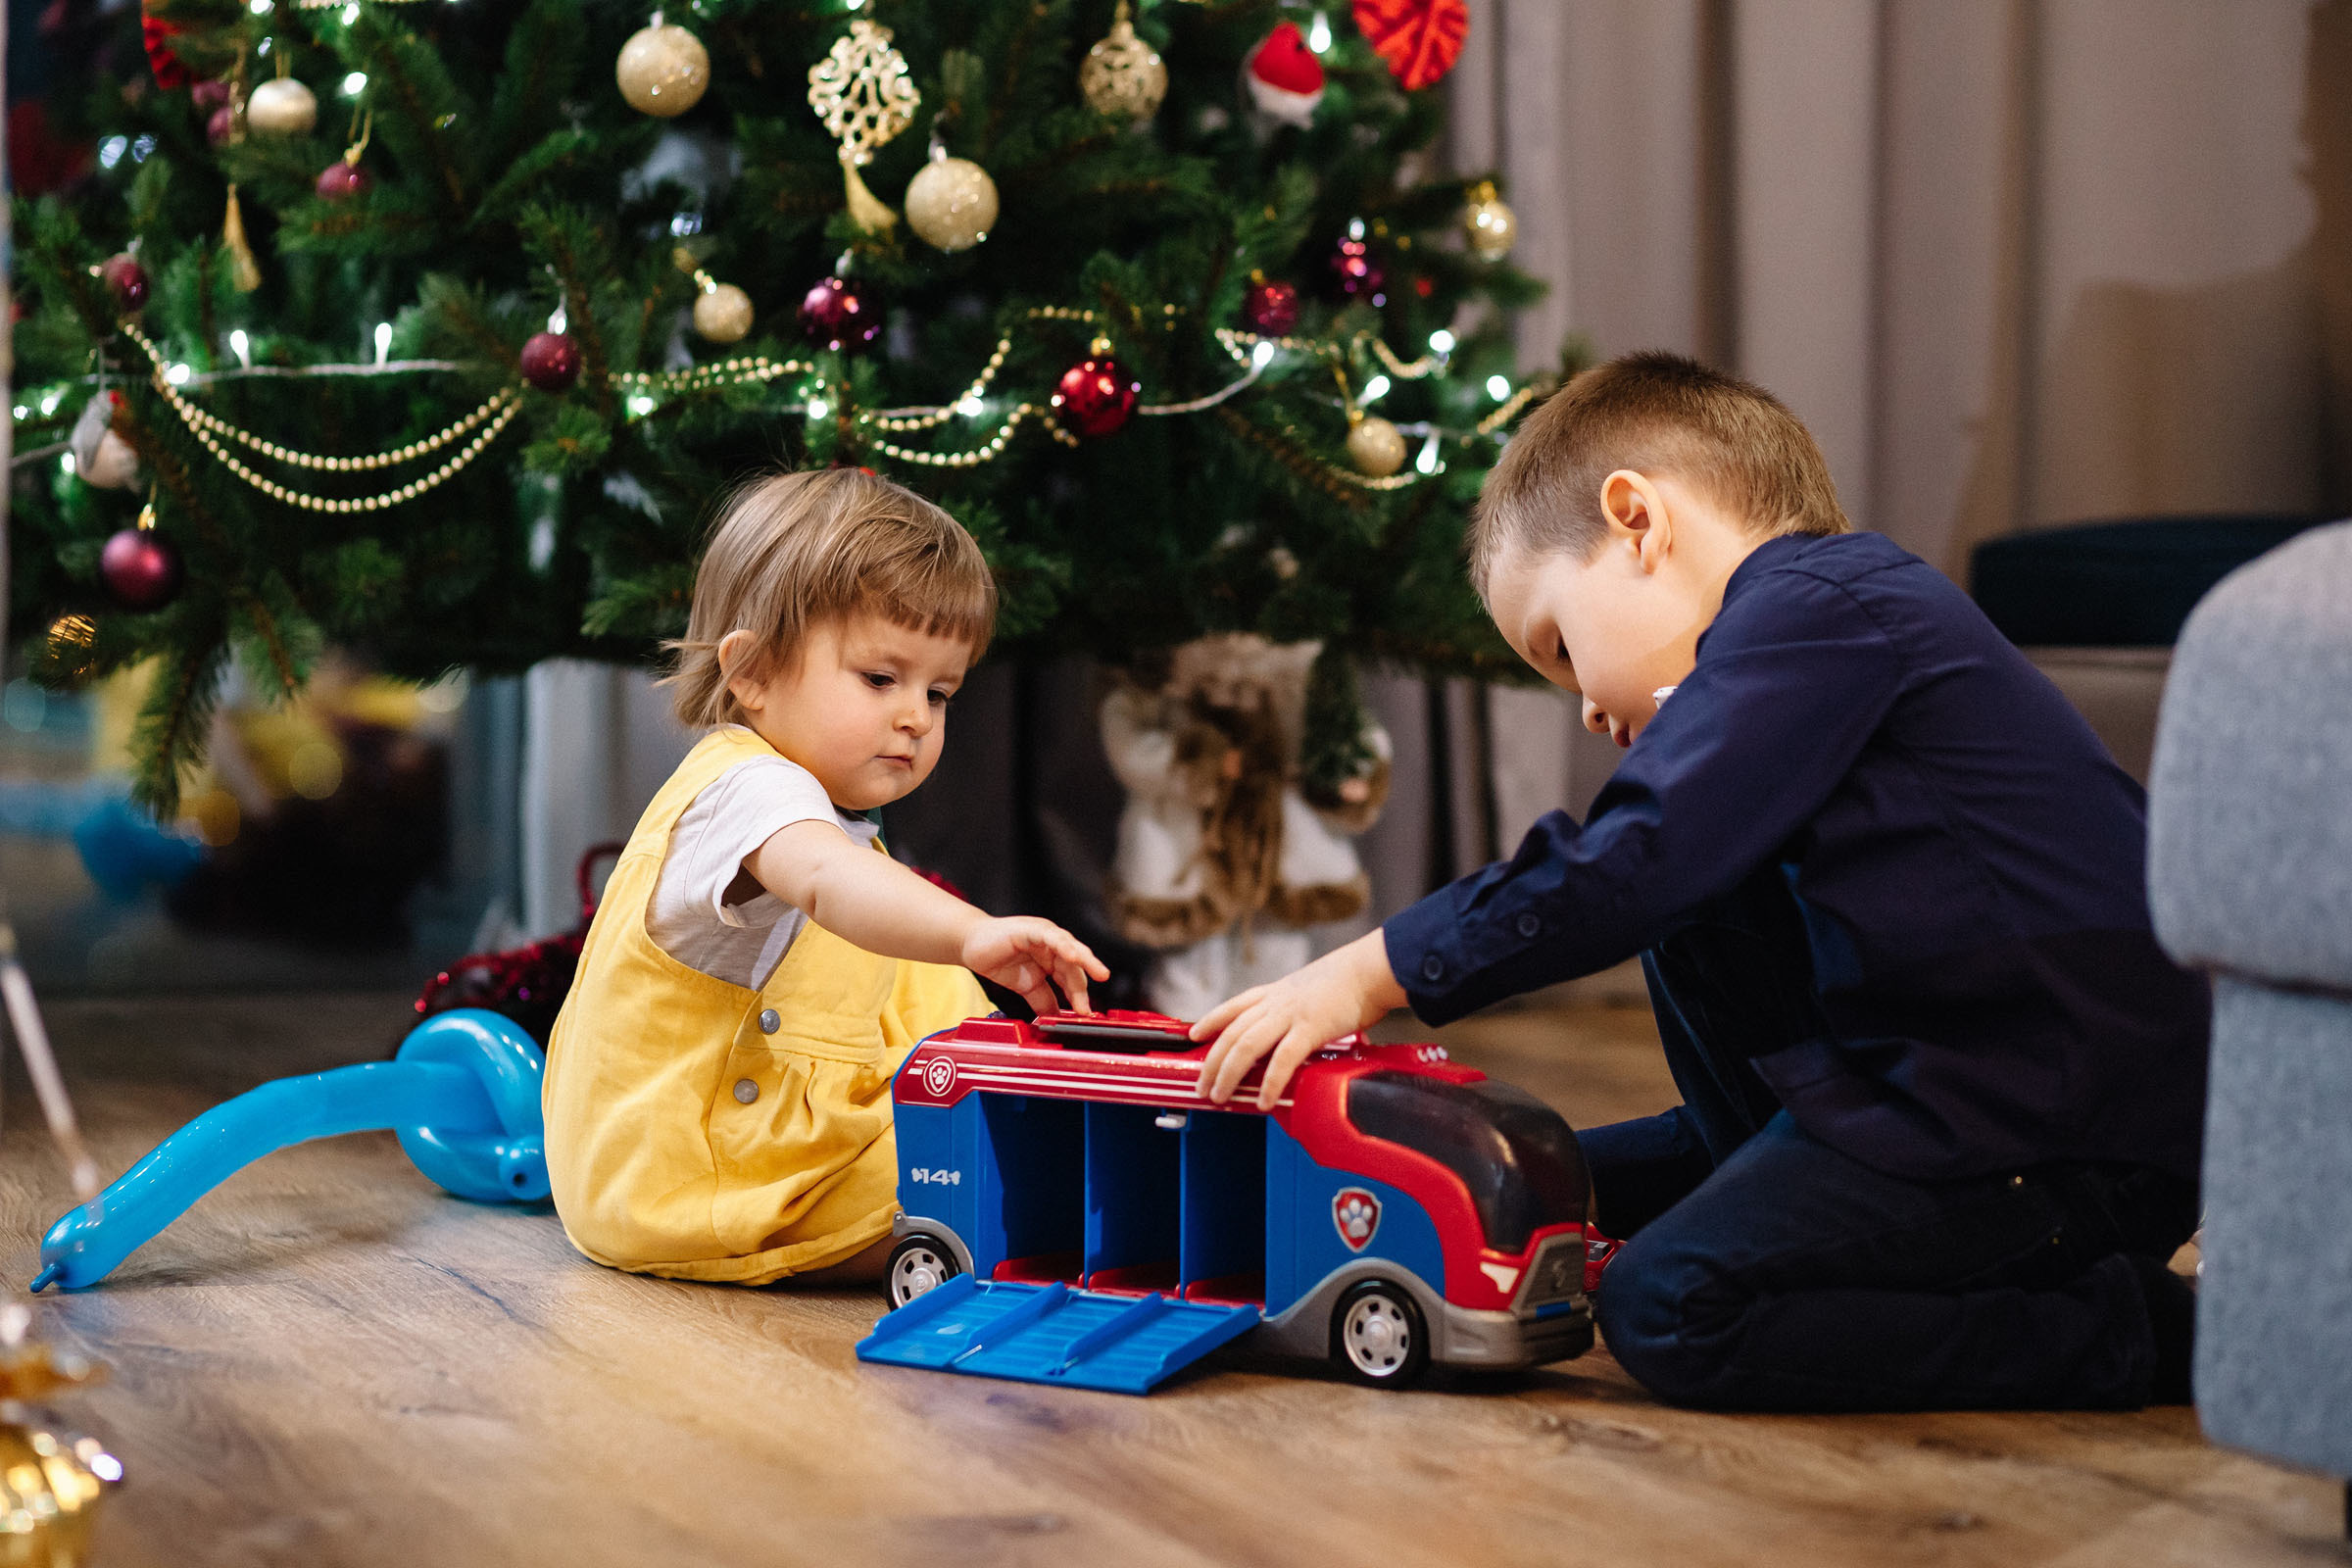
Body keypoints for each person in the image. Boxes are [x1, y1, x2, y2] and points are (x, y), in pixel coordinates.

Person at [1190, 353, 2209, 1412]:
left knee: (1672, 1304)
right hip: (1942, 1090)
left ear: (1637, 522)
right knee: (1550, 1155)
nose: (1588, 706)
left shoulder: (1824, 602)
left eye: (1560, 646)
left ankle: (2145, 1330)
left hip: (2065, 1129)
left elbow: (1638, 857)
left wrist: (1368, 972)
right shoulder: (1816, 632)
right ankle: (1719, 1184)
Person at [544, 468, 1105, 1287]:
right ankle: (982, 1214)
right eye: (880, 679)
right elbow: (828, 880)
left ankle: (1006, 1162)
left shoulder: (825, 808)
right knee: (984, 1175)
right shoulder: (748, 788)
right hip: (692, 1172)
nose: (914, 716)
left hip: (770, 1122)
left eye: (939, 692)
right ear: (754, 672)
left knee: (965, 1067)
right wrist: (974, 932)